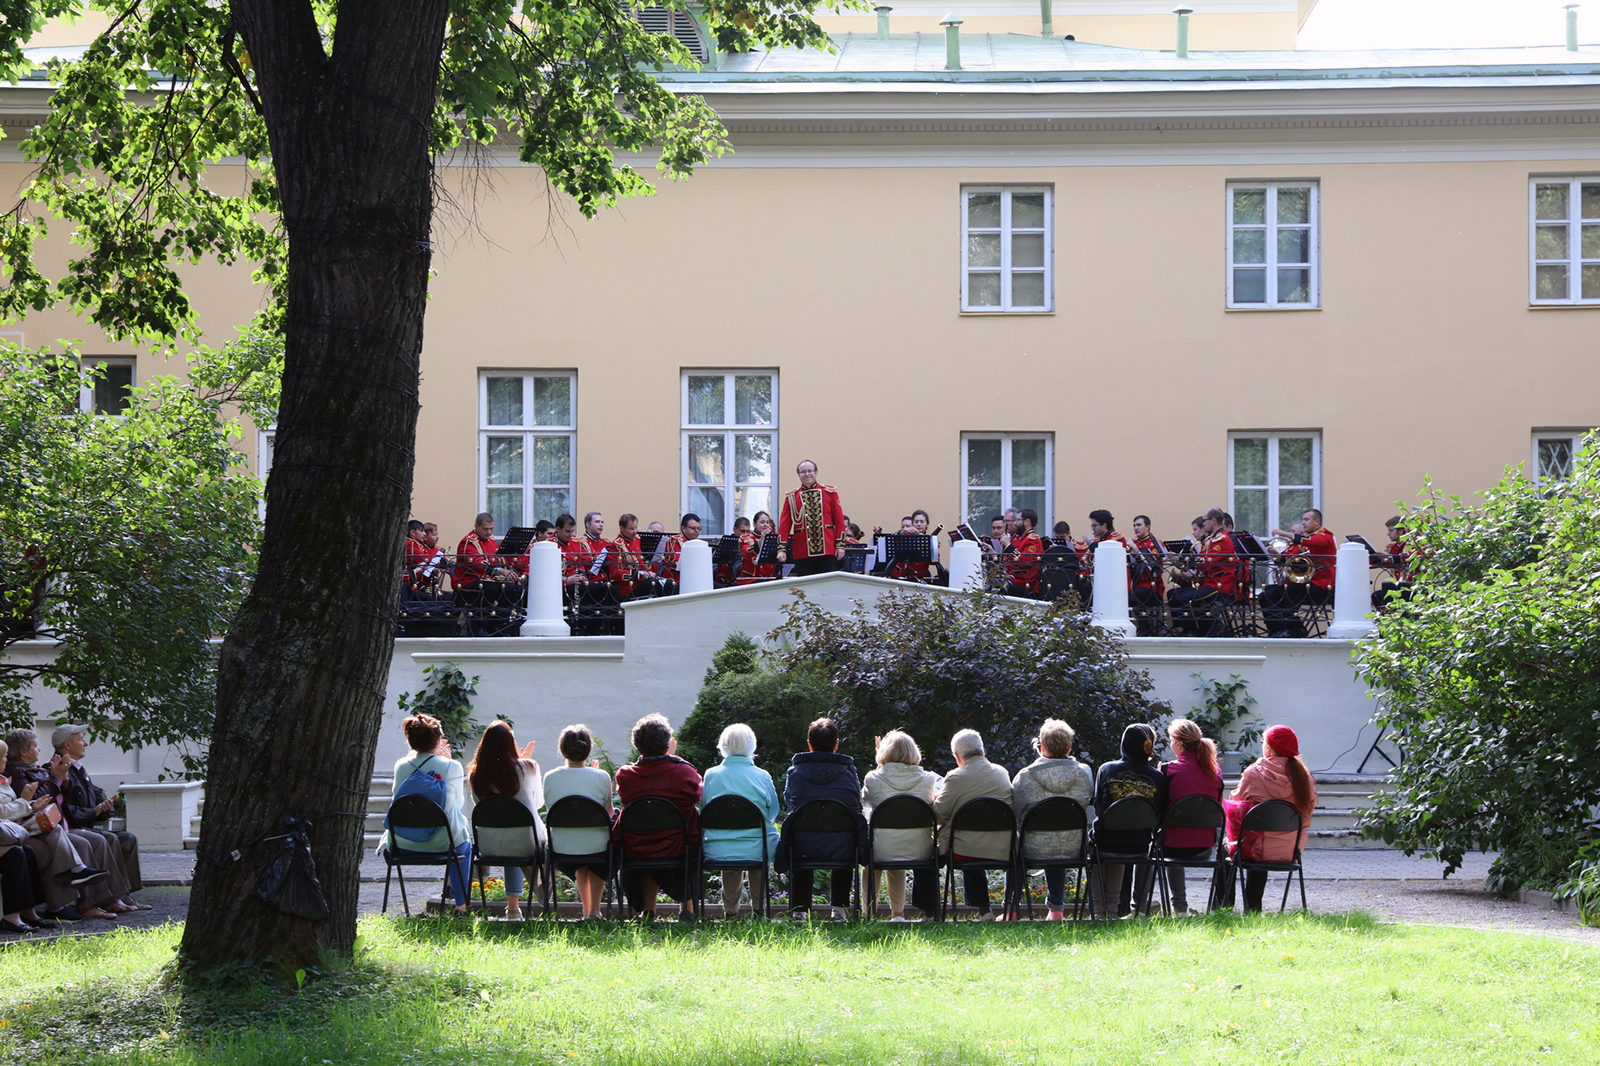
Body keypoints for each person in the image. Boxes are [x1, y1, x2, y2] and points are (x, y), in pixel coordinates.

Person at [5, 728, 134, 916]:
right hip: (35, 831)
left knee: (102, 840)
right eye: (35, 746)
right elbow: (42, 799)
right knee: (84, 843)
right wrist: (57, 778)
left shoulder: (39, 769)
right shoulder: (17, 775)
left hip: (55, 826)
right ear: (24, 752)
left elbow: (63, 799)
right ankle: (84, 905)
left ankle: (110, 899)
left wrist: (63, 779)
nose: (40, 749)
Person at [380, 713, 471, 914]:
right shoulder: (451, 766)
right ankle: (461, 907)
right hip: (443, 844)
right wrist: (447, 761)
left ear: (410, 740)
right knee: (464, 842)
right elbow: (457, 804)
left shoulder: (400, 765)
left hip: (401, 844)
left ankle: (449, 891)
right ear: (439, 740)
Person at [613, 714, 701, 922]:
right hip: (678, 845)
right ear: (668, 743)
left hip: (638, 846)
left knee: (647, 843)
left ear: (637, 745)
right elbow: (697, 796)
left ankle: (648, 910)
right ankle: (687, 909)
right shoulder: (684, 772)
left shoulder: (626, 775)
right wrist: (671, 757)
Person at [51, 724, 148, 910]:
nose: (85, 743)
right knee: (110, 839)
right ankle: (113, 897)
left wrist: (105, 807)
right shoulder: (58, 769)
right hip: (74, 828)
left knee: (128, 839)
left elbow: (96, 794)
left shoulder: (80, 769)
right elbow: (66, 809)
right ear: (68, 745)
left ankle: (127, 893)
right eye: (81, 739)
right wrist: (94, 811)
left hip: (87, 826)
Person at [1007, 718, 1094, 921]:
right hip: (1074, 846)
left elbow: (1016, 812)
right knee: (1059, 836)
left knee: (1015, 844)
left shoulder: (1025, 776)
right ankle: (1056, 910)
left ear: (1042, 746)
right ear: (1070, 747)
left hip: (1033, 846)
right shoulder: (1084, 773)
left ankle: (1011, 910)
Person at [780, 717, 864, 920]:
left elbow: (790, 802)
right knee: (845, 838)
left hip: (803, 844)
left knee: (800, 839)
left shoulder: (795, 772)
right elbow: (856, 804)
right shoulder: (849, 772)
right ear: (836, 744)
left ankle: (800, 912)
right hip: (842, 845)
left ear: (809, 744)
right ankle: (840, 911)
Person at [1228, 724, 1317, 911]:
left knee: (1237, 846)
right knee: (1259, 842)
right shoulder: (1305, 777)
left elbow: (1235, 804)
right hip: (1290, 850)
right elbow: (1307, 815)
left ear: (1268, 747)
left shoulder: (1254, 773)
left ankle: (1223, 909)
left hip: (1257, 849)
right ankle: (1252, 909)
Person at [465, 721, 545, 921]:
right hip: (526, 842)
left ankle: (513, 910)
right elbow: (537, 803)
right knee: (516, 833)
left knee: (508, 831)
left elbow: (479, 803)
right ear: (511, 743)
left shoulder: (475, 774)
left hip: (488, 844)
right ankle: (513, 909)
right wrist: (524, 765)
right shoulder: (528, 767)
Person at [860, 730, 942, 922]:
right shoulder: (928, 779)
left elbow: (866, 807)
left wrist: (880, 765)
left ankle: (868, 913)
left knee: (872, 865)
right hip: (920, 848)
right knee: (898, 853)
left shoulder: (872, 778)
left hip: (882, 848)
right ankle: (898, 914)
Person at [700, 723, 780, 918]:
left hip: (719, 847)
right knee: (759, 864)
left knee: (730, 868)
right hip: (757, 846)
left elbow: (706, 810)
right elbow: (773, 811)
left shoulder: (711, 775)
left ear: (722, 745)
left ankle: (730, 913)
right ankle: (759, 910)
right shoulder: (762, 776)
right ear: (752, 745)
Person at [933, 729, 1012, 920]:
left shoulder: (955, 777)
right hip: (1003, 848)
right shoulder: (1002, 773)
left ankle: (935, 911)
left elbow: (938, 815)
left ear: (957, 756)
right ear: (982, 750)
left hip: (964, 850)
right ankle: (993, 910)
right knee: (972, 836)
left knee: (963, 840)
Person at [1091, 723, 1167, 919]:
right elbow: (1159, 814)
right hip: (1140, 845)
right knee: (1151, 849)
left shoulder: (1107, 769)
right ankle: (1139, 908)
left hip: (1107, 842)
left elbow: (1099, 806)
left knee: (1092, 849)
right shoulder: (1158, 777)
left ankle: (1101, 911)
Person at [542, 724, 613, 921]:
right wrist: (594, 776)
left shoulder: (550, 777)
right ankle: (595, 911)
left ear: (563, 749)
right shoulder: (601, 776)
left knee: (581, 862)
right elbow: (607, 813)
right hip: (597, 846)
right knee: (594, 852)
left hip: (562, 846)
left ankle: (587, 910)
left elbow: (552, 808)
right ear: (588, 749)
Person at [1160, 718, 1224, 916]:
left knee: (1165, 840)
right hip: (1204, 848)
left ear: (1178, 743)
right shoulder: (1216, 772)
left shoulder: (1167, 770)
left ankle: (1177, 907)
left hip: (1172, 848)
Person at [1260, 508, 1337, 638]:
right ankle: (1277, 630)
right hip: (1305, 584)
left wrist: (1283, 533)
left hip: (1322, 585)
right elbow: (1288, 558)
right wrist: (1276, 555)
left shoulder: (1325, 536)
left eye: (1306, 519)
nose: (1303, 523)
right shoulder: (1304, 540)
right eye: (1303, 519)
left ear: (1317, 522)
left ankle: (1294, 630)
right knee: (1268, 594)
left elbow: (1310, 541)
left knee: (1292, 589)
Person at [1167, 508, 1236, 637]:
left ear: (1213, 521)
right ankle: (1188, 629)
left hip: (1220, 585)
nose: (1203, 524)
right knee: (1175, 595)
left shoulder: (1222, 540)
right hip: (1209, 582)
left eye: (1205, 521)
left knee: (1187, 598)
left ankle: (1203, 629)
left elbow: (1207, 562)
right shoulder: (1211, 539)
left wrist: (1182, 558)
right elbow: (1203, 566)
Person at [776, 459, 846, 576]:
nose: (807, 474)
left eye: (810, 471)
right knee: (806, 590)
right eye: (803, 472)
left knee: (827, 587)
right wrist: (781, 549)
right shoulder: (792, 497)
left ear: (816, 472)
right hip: (803, 551)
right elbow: (785, 524)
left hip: (827, 549)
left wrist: (840, 546)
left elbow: (839, 521)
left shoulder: (830, 492)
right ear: (798, 475)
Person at [1129, 515, 1167, 635]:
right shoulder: (1133, 543)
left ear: (1148, 527)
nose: (1136, 528)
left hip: (1152, 585)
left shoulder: (1155, 543)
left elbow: (1154, 567)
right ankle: (1144, 628)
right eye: (1134, 525)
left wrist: (1137, 551)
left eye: (1139, 525)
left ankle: (1145, 629)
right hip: (1136, 584)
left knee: (1133, 598)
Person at [611, 513, 662, 601]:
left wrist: (649, 572)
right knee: (656, 585)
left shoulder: (636, 540)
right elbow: (616, 574)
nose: (635, 531)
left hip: (641, 582)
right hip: (628, 587)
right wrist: (640, 574)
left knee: (668, 583)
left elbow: (641, 564)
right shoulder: (616, 545)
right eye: (631, 529)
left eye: (636, 528)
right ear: (622, 528)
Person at [1003, 509, 1045, 598]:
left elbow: (1024, 561)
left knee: (1002, 588)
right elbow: (1007, 560)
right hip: (1013, 577)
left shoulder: (1033, 540)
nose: (1015, 523)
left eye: (1018, 520)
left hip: (1024, 582)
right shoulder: (1019, 538)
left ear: (1027, 522)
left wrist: (1008, 545)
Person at [657, 512, 700, 591]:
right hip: (676, 580)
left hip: (694, 579)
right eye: (693, 528)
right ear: (683, 528)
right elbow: (677, 562)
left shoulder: (698, 543)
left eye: (698, 528)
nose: (697, 531)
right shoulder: (675, 541)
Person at [738, 510, 780, 584]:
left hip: (769, 577)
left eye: (767, 522)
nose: (765, 525)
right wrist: (762, 539)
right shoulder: (746, 538)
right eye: (762, 522)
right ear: (754, 524)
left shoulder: (773, 539)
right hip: (751, 579)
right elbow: (747, 553)